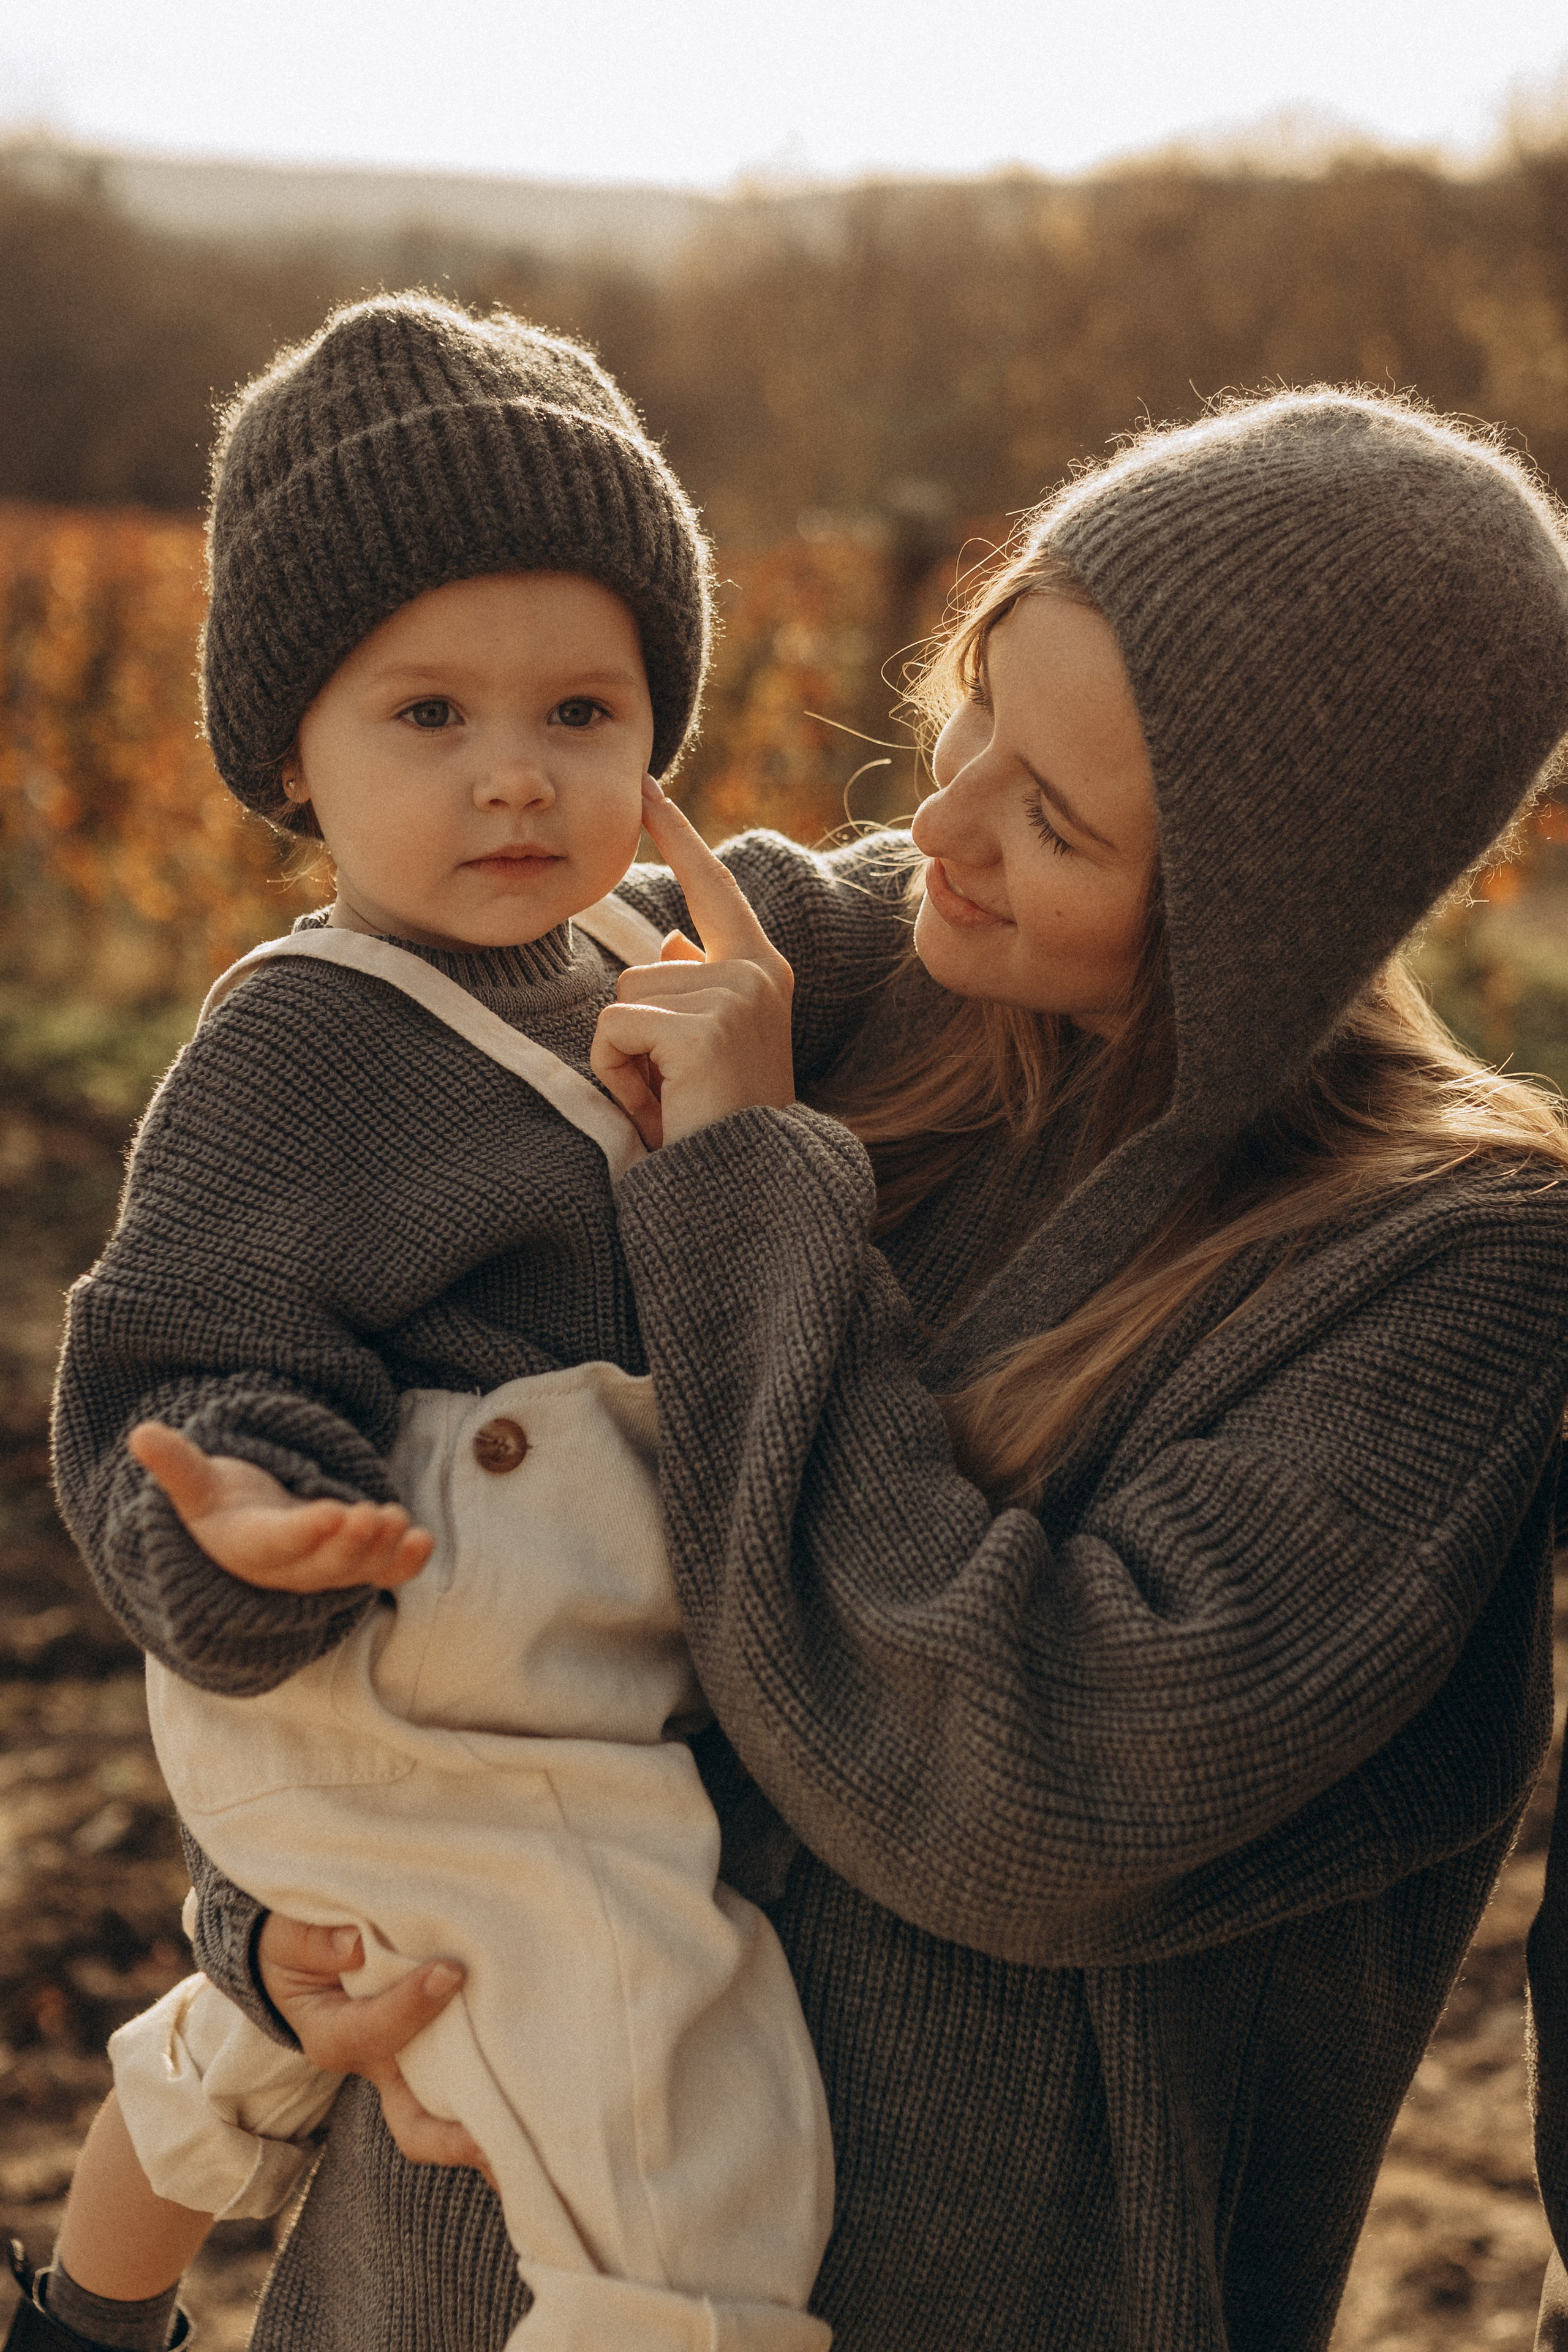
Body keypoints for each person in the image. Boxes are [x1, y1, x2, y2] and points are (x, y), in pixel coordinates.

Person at [197, 389, 1568, 2352]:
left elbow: (1027, 1796)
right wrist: (285, 1925)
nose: (941, 822)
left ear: (1279, 914)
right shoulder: (815, 965)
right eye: (980, 715)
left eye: (1058, 815)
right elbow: (319, 1282)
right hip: (440, 2268)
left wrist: (753, 1202)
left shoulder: (1445, 1271)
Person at [21, 293, 918, 2352]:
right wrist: (247, 1516)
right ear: (290, 757)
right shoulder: (300, 1046)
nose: (516, 780)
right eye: (429, 718)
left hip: (509, 1662)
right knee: (670, 2114)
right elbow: (193, 1351)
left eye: (582, 717)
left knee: (265, 2026)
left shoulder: (654, 947)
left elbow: (892, 911)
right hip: (381, 1655)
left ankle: (79, 2316)